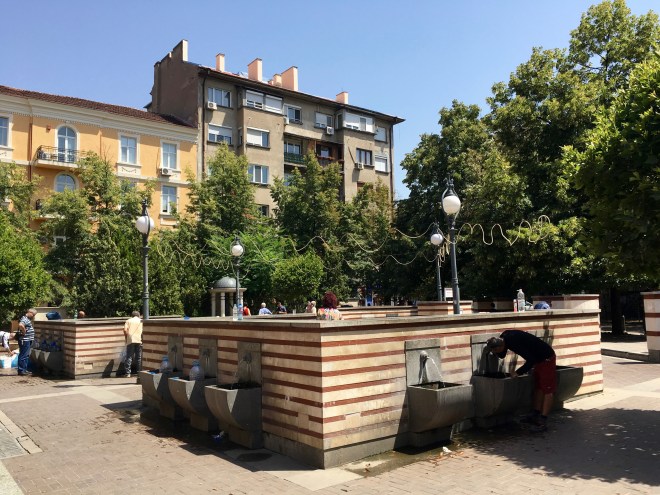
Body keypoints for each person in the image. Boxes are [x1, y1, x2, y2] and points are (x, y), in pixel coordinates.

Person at [486, 330, 556, 432]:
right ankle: (535, 414)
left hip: (546, 358)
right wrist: (495, 351)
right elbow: (502, 354)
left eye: (496, 350)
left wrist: (517, 372)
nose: (496, 353)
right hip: (538, 359)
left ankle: (543, 420)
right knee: (539, 387)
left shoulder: (514, 343)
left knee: (547, 389)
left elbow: (530, 361)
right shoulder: (504, 337)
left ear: (500, 346)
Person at [16, 308, 37, 376]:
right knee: (23, 355)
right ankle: (21, 370)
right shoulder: (24, 319)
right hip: (25, 340)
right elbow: (20, 325)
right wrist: (24, 331)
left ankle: (24, 369)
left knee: (25, 355)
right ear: (30, 312)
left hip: (27, 340)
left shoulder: (26, 319)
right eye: (33, 315)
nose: (33, 316)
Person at [123, 311, 143, 378]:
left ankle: (128, 373)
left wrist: (126, 337)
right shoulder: (141, 321)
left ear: (132, 315)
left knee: (129, 356)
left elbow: (125, 330)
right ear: (138, 315)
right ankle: (139, 372)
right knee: (138, 357)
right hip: (139, 340)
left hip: (130, 340)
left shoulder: (128, 321)